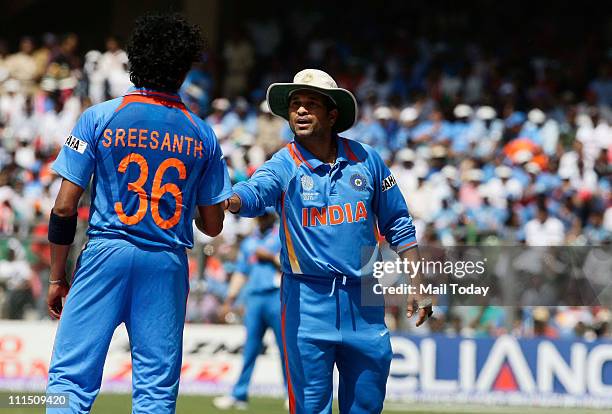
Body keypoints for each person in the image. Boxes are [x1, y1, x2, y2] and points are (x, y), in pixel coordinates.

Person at [45, 14, 231, 413]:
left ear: (134, 62)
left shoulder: (100, 116)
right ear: (184, 69)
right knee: (155, 391)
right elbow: (212, 225)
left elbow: (64, 207)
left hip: (106, 253)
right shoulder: (202, 133)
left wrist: (58, 276)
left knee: (71, 381)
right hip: (165, 263)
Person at [224, 69, 433, 413]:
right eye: (295, 105)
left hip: (365, 299)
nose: (300, 111)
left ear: (332, 114)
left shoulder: (367, 160)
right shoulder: (283, 163)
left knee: (366, 407)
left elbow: (398, 222)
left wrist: (418, 281)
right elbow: (254, 191)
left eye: (310, 104)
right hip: (307, 302)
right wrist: (229, 201)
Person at [213, 209, 288, 410]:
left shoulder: (282, 236)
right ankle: (239, 394)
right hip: (254, 298)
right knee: (250, 349)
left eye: (266, 216)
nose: (262, 219)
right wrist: (229, 299)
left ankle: (291, 393)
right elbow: (241, 273)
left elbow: (293, 266)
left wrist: (272, 257)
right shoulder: (249, 243)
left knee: (285, 350)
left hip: (276, 296)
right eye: (260, 216)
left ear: (272, 217)